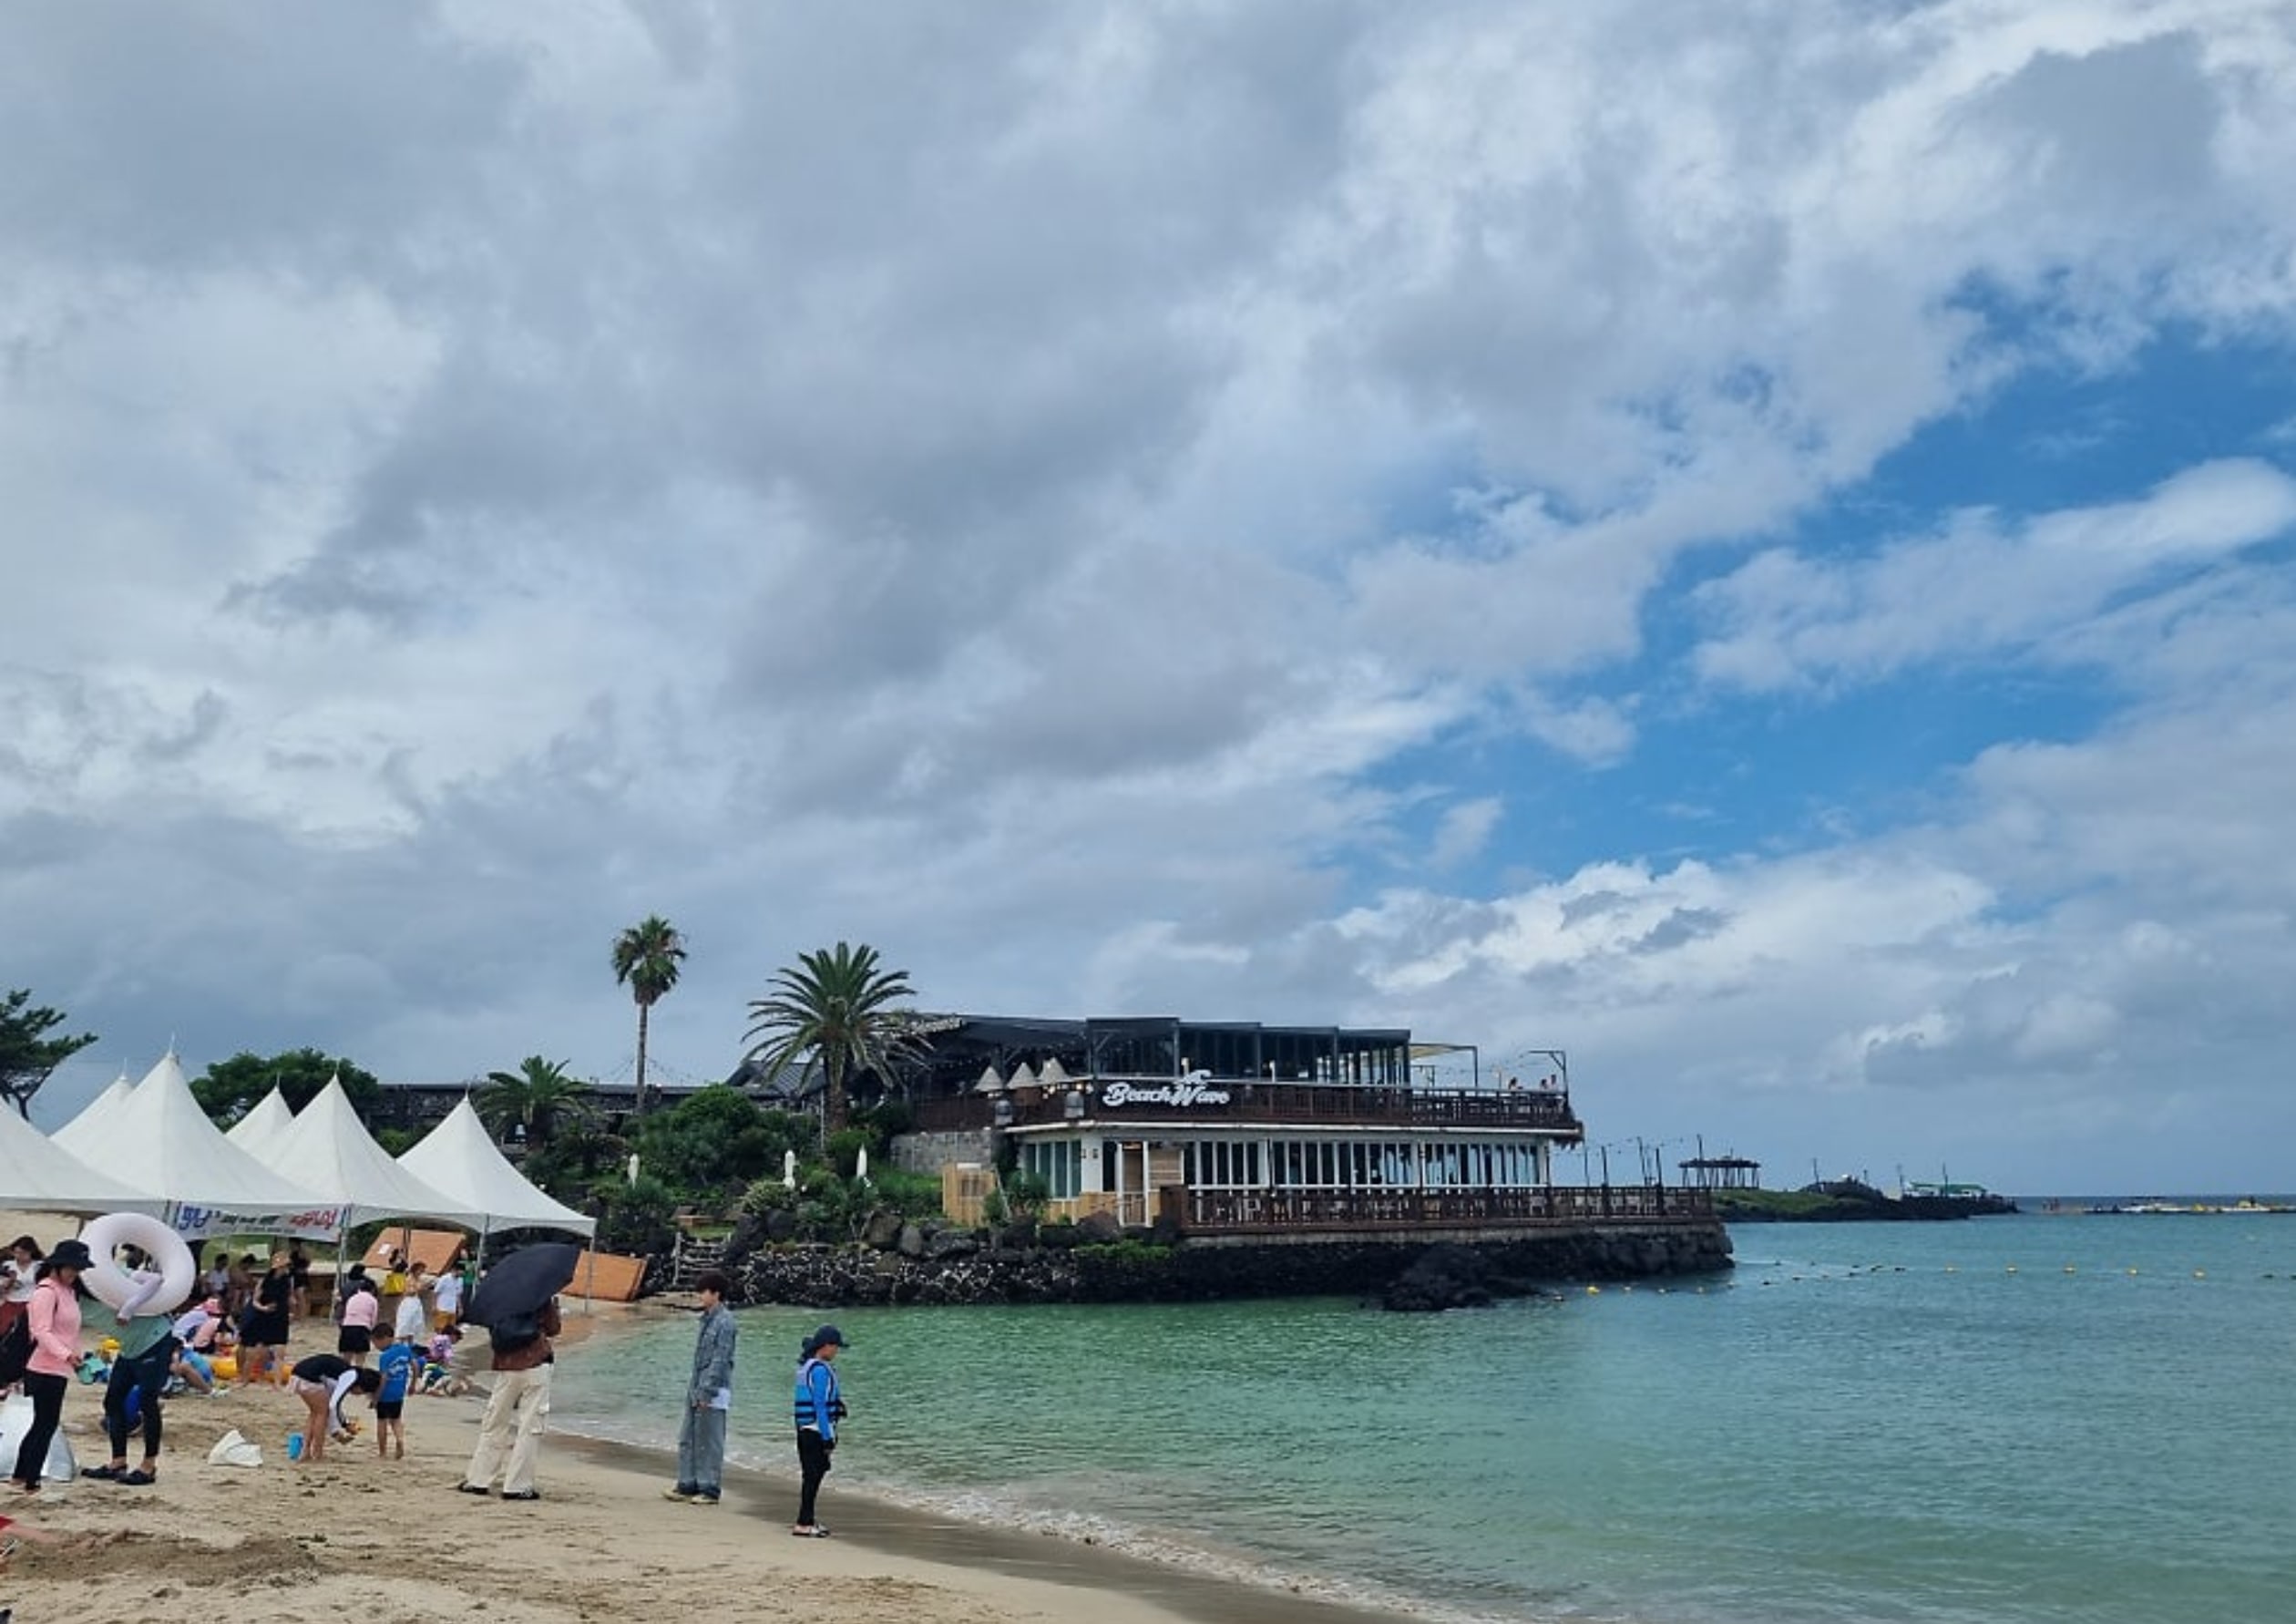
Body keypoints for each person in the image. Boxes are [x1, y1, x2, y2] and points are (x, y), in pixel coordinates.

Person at [84, 1256, 182, 1487]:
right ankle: (118, 1461)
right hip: (129, 1347)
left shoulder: (111, 1275)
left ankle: (149, 1466)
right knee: (113, 1401)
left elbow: (155, 1280)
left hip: (155, 1339)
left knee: (148, 1401)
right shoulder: (72, 1295)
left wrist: (130, 1306)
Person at [457, 1294, 561, 1501]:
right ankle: (517, 1485)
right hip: (536, 1365)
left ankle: (478, 1479)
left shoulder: (501, 1294)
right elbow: (553, 1329)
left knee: (494, 1422)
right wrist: (554, 1308)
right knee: (530, 1427)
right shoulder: (539, 1295)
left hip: (506, 1366)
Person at [10, 1239, 89, 1495]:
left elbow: (68, 1331)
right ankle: (31, 1479)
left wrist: (74, 1356)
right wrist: (66, 1354)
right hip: (43, 1366)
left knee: (43, 1423)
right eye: (71, 1269)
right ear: (58, 1266)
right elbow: (40, 1331)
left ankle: (22, 1474)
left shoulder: (68, 1292)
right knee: (46, 1423)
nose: (75, 1274)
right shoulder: (46, 1292)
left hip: (60, 1366)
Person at [665, 1270, 737, 1506]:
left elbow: (721, 1359)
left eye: (703, 1291)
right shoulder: (707, 1319)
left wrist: (708, 1390)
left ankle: (710, 1487)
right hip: (696, 1383)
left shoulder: (725, 1322)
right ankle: (688, 1483)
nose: (700, 1296)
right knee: (688, 1436)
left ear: (716, 1294)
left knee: (710, 1439)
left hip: (713, 1389)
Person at [790, 1323, 847, 1537]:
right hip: (815, 1431)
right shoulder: (820, 1371)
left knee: (811, 1475)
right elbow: (821, 1407)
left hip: (804, 1429)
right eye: (835, 1347)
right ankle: (804, 1522)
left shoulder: (806, 1368)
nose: (836, 1351)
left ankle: (807, 1519)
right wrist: (828, 1438)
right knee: (814, 1475)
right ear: (825, 1346)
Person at [287, 1353, 381, 1463]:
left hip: (299, 1372)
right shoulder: (351, 1376)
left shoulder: (343, 1374)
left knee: (315, 1413)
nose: (359, 1395)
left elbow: (334, 1405)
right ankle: (317, 1453)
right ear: (362, 1386)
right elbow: (334, 1405)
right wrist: (341, 1429)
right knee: (322, 1414)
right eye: (363, 1392)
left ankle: (306, 1451)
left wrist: (341, 1428)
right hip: (309, 1377)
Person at [238, 1253, 292, 1387]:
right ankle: (246, 1379)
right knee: (257, 1352)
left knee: (280, 1351)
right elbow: (255, 1301)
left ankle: (277, 1383)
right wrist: (263, 1308)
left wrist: (291, 1311)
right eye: (284, 1266)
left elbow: (289, 1298)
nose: (286, 1269)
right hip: (264, 1316)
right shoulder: (265, 1281)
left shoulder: (287, 1281)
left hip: (280, 1317)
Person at [371, 1325, 417, 1460]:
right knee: (396, 1420)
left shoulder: (385, 1356)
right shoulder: (405, 1350)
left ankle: (383, 1452)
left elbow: (384, 1378)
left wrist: (376, 1397)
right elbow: (415, 1366)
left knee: (382, 1422)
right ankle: (400, 1440)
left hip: (385, 1394)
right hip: (399, 1392)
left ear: (385, 1339)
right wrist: (413, 1384)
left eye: (376, 1343)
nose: (376, 1346)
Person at [0, 1239, 41, 1343]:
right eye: (16, 1252)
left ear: (31, 1252)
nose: (19, 1256)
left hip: (30, 1303)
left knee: (24, 1330)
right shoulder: (8, 1265)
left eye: (23, 1253)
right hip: (11, 1301)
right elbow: (3, 1288)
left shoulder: (38, 1266)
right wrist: (8, 1283)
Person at [337, 1274, 379, 1366]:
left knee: (346, 1357)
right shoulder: (373, 1300)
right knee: (360, 1358)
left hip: (347, 1327)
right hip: (362, 1328)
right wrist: (371, 1332)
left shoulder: (352, 1298)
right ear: (372, 1290)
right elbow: (374, 1318)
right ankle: (359, 1375)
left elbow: (347, 1313)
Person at [394, 1265, 430, 1344]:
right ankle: (401, 1343)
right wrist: (418, 1288)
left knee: (414, 1323)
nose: (421, 1272)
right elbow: (408, 1292)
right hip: (408, 1302)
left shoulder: (419, 1279)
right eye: (420, 1270)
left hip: (416, 1301)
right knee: (406, 1322)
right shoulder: (409, 1279)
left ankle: (411, 1343)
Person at [429, 1260, 463, 1331]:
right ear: (454, 1270)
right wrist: (434, 1306)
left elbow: (458, 1295)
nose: (461, 1273)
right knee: (441, 1329)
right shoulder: (444, 1278)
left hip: (452, 1309)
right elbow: (436, 1292)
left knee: (450, 1330)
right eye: (460, 1271)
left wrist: (460, 1307)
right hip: (442, 1307)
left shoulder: (460, 1280)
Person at [287, 1243, 313, 1321]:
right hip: (295, 1276)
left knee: (300, 1295)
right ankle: (296, 1314)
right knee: (294, 1295)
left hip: (300, 1277)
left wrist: (301, 1269)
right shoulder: (293, 1254)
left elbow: (307, 1264)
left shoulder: (302, 1254)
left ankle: (302, 1315)